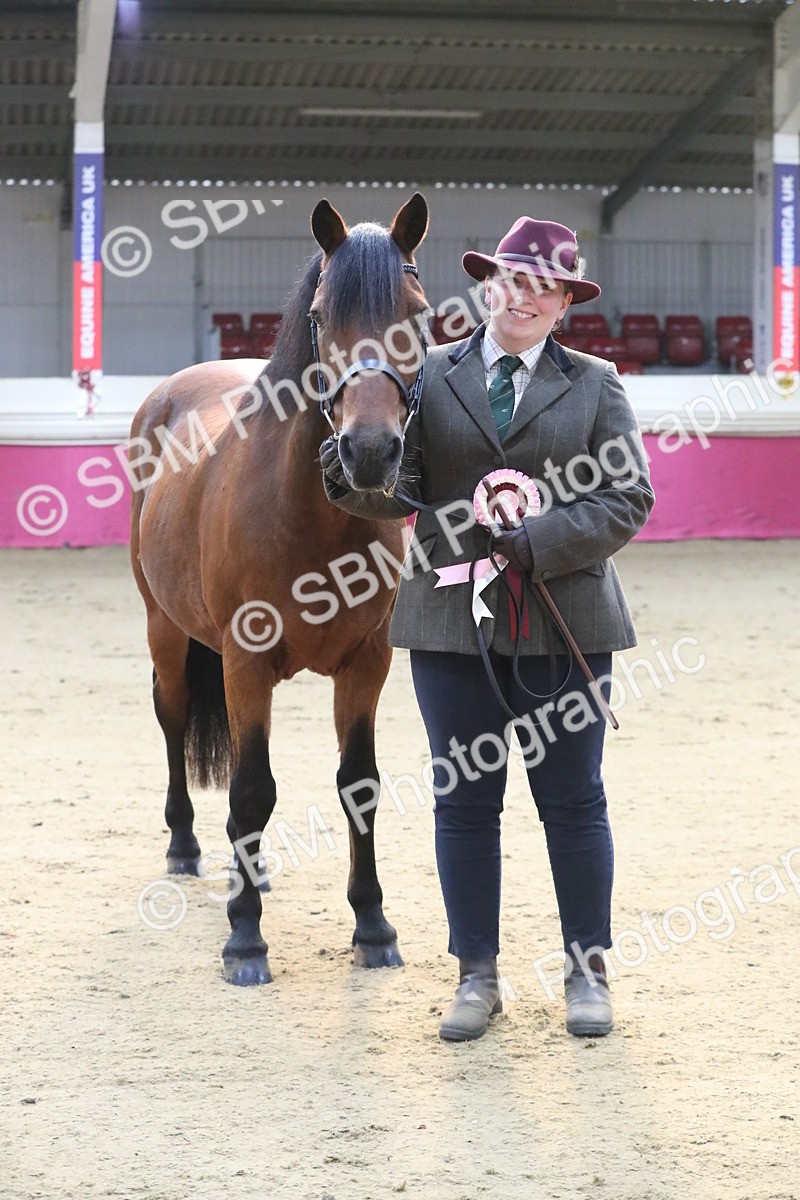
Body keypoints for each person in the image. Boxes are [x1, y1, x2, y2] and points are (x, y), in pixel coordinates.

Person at [320, 216, 655, 1041]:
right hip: (448, 626)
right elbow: (406, 488)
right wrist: (347, 477)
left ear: (564, 303)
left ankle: (587, 971)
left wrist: (539, 540)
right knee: (464, 805)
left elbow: (628, 498)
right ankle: (477, 975)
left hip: (565, 620)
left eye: (547, 287)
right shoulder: (430, 374)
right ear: (490, 288)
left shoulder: (597, 383)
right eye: (514, 281)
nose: (527, 298)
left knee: (574, 802)